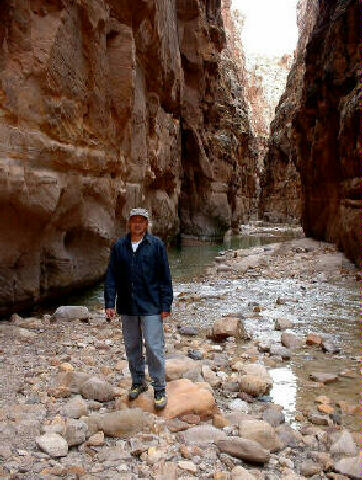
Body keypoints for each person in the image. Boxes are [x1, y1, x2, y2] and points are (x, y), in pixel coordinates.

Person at [104, 208, 173, 409]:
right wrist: (109, 302)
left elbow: (165, 277)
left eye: (141, 221)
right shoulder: (119, 246)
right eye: (134, 221)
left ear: (146, 224)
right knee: (132, 346)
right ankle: (138, 382)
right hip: (127, 306)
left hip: (151, 305)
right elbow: (111, 277)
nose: (137, 224)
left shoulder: (156, 245)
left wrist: (166, 304)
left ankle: (159, 388)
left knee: (154, 346)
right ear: (129, 223)